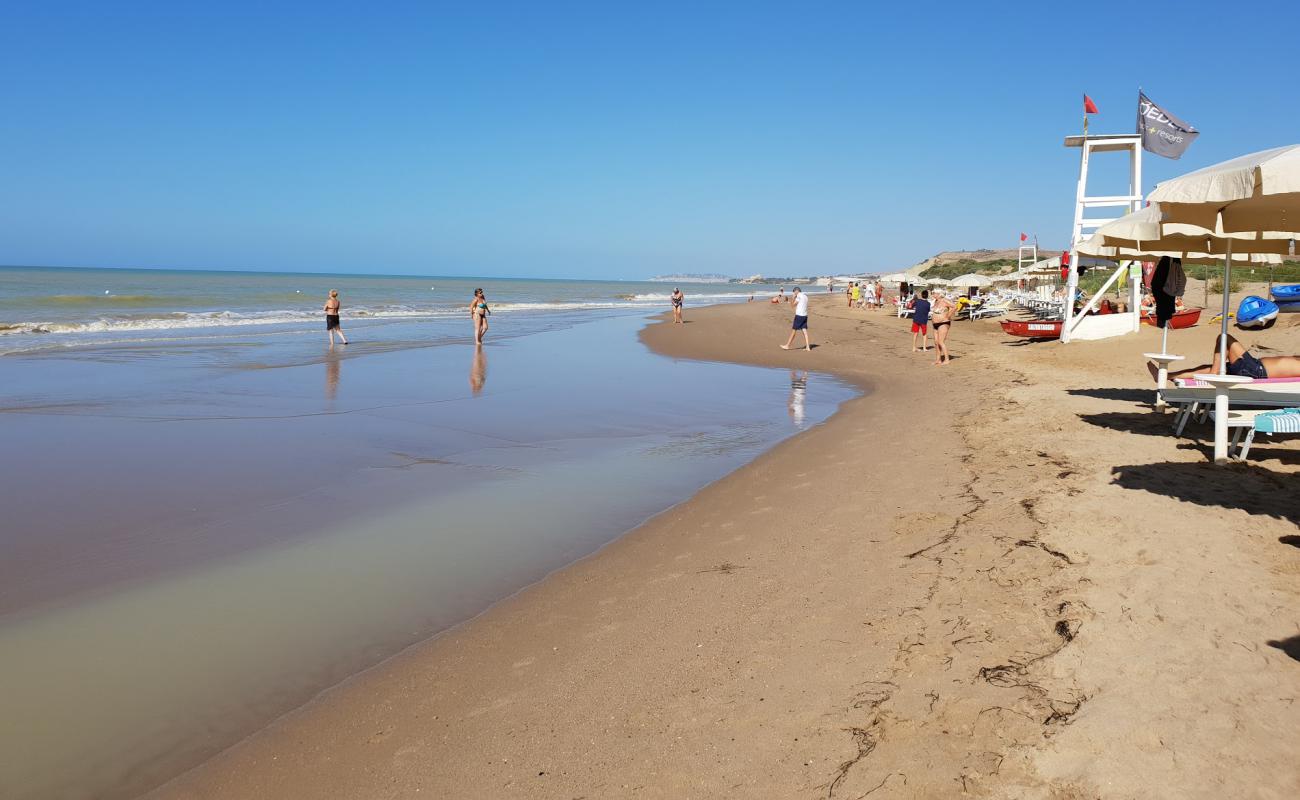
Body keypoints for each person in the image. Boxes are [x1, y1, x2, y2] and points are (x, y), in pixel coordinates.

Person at [1155, 334, 1300, 382]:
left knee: (1224, 338)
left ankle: (1213, 373)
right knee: (1209, 368)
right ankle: (1165, 376)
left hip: (1255, 370)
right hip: (1255, 368)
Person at [781, 287, 812, 351]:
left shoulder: (798, 296)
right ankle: (808, 347)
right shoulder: (805, 296)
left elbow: (792, 306)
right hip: (805, 315)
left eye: (794, 292)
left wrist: (793, 298)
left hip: (799, 316)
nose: (794, 293)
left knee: (794, 330)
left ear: (796, 291)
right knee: (804, 331)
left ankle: (787, 345)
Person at [930, 290, 955, 365]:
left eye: (933, 293)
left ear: (939, 294)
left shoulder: (945, 300)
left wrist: (948, 316)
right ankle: (938, 359)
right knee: (936, 342)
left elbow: (954, 307)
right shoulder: (935, 301)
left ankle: (947, 360)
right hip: (935, 324)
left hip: (943, 323)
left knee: (941, 342)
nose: (932, 294)